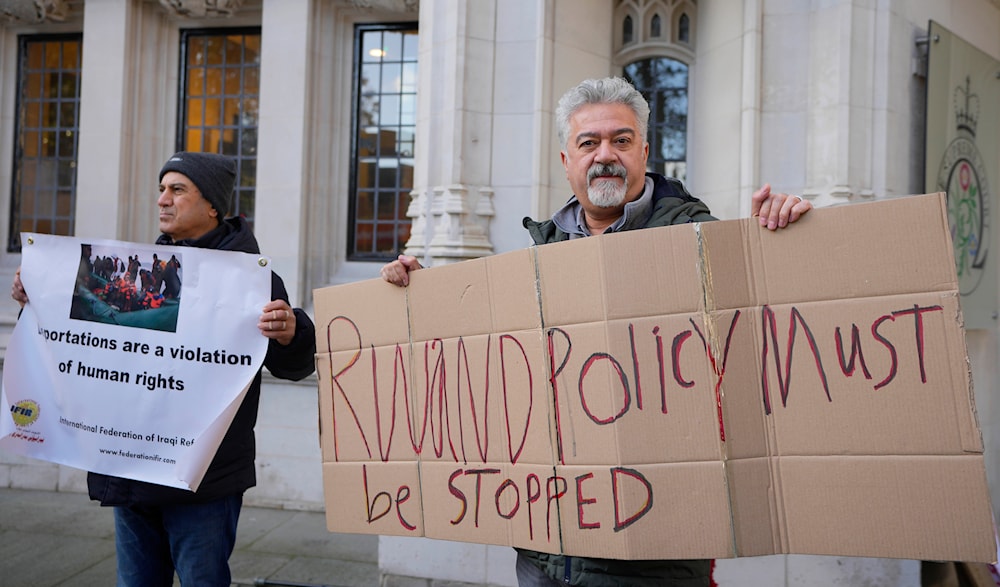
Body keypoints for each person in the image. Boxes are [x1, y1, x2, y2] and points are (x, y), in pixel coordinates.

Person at [380, 77, 813, 586]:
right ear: (567, 160)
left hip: (653, 561)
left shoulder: (700, 242)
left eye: (621, 141)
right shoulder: (539, 255)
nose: (605, 155)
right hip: (544, 554)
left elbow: (765, 345)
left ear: (644, 152)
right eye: (589, 143)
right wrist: (419, 298)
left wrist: (781, 244)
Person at [10, 151, 317, 587]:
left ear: (212, 205)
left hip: (202, 482)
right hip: (132, 472)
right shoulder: (143, 266)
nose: (162, 200)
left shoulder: (251, 281)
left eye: (177, 189)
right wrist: (36, 293)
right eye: (160, 189)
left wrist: (290, 331)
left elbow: (295, 364)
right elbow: (87, 341)